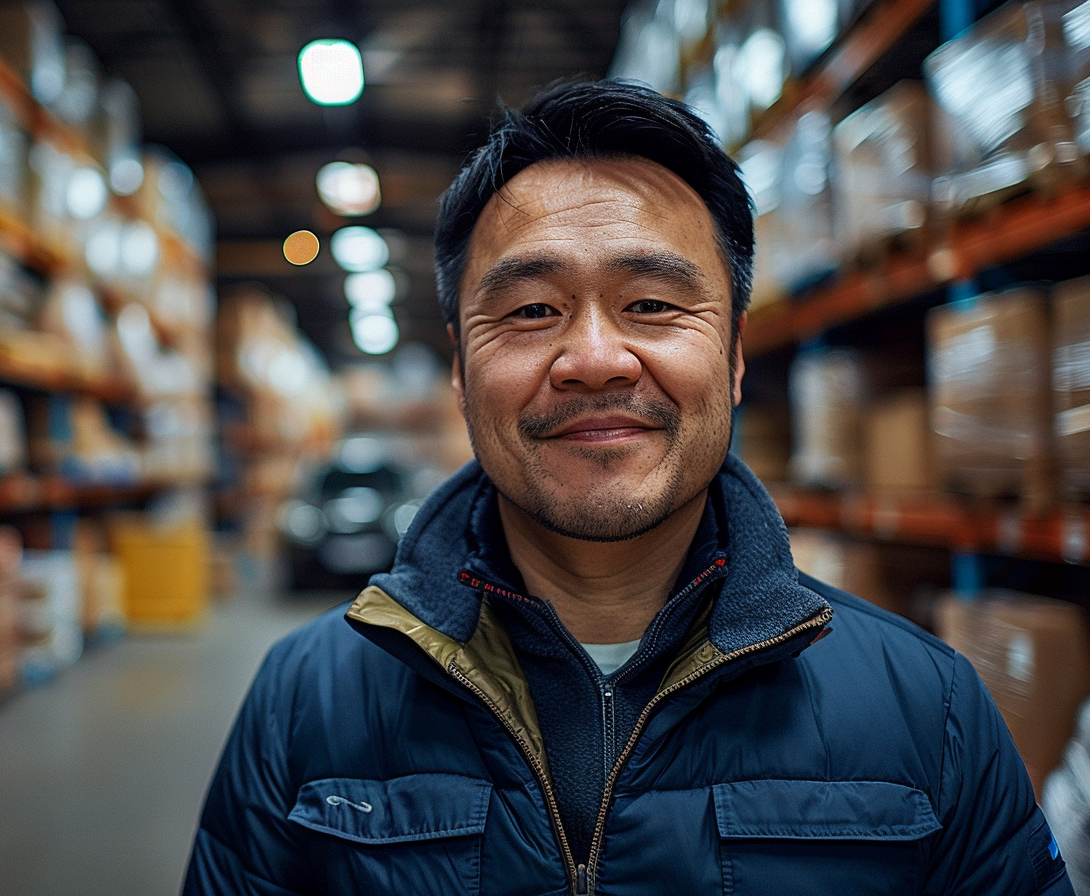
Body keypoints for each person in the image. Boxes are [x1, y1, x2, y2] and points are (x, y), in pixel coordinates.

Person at [183, 80, 1072, 895]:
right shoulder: (304, 704)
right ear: (461, 375)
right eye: (532, 310)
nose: (595, 359)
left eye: (652, 303)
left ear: (730, 362)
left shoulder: (930, 711)